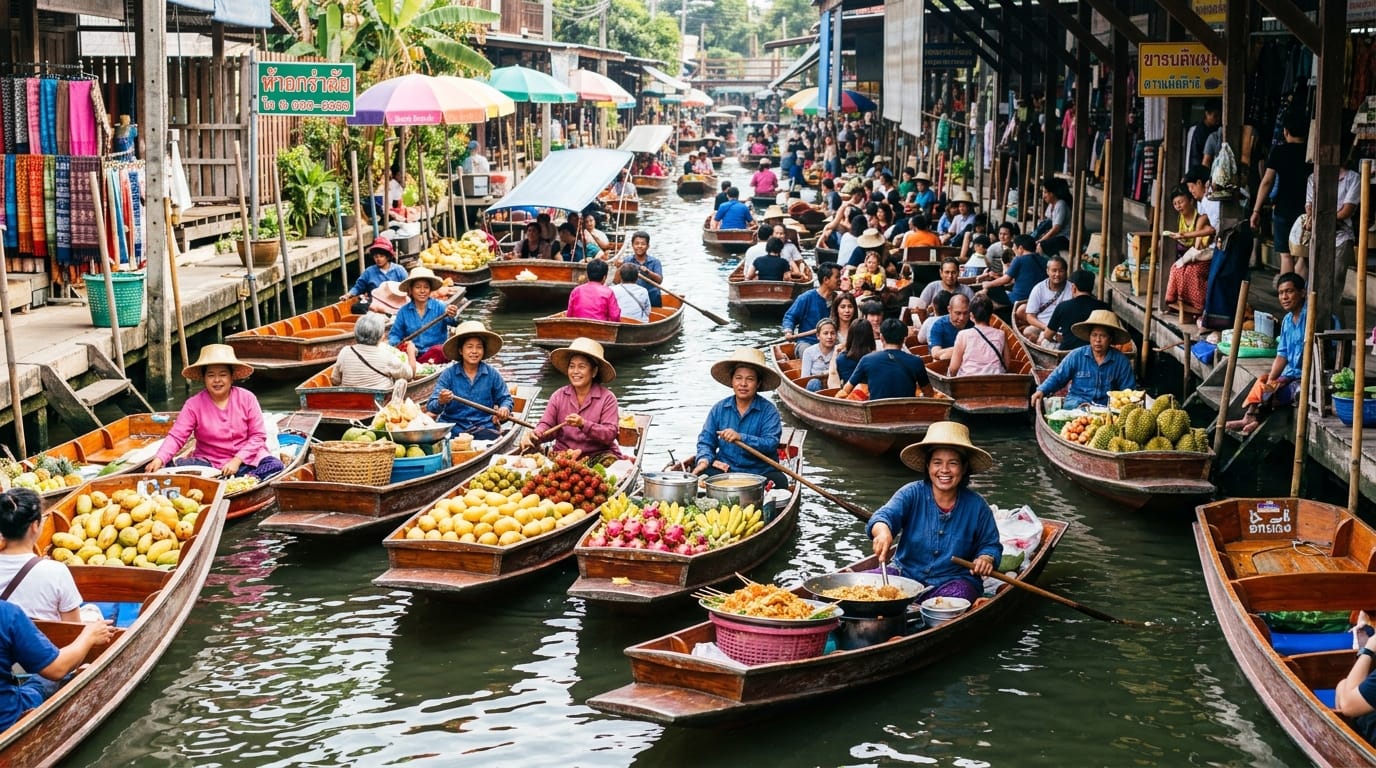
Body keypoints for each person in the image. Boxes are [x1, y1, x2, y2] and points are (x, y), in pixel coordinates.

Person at [0, 509, 115, 729]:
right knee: (46, 678)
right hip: (7, 718)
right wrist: (89, 636)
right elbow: (57, 668)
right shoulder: (8, 614)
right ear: (35, 526)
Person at [867, 421, 1001, 602]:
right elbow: (884, 516)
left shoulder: (977, 506)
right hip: (905, 575)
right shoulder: (911, 493)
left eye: (953, 463)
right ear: (928, 466)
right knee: (865, 585)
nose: (944, 470)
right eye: (937, 462)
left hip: (953, 581)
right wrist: (883, 532)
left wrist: (985, 558)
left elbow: (990, 545)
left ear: (963, 468)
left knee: (956, 597)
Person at [146, 345, 284, 480]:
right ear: (204, 378)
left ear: (231, 377)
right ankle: (223, 479)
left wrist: (236, 461)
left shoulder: (247, 398)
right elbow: (177, 437)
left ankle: (247, 480)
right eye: (211, 375)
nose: (217, 380)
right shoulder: (193, 404)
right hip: (209, 462)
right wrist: (159, 459)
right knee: (168, 466)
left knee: (275, 466)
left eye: (223, 375)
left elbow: (258, 436)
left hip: (246, 460)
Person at [693, 348, 789, 490]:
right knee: (703, 475)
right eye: (738, 378)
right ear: (732, 381)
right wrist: (704, 460)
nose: (743, 384)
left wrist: (741, 437)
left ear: (758, 383)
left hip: (760, 473)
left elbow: (770, 443)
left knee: (780, 482)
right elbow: (706, 441)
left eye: (750, 379)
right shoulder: (719, 408)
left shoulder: (769, 411)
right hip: (726, 470)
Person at [1226, 273, 1306, 436]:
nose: (1284, 297)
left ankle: (1256, 420)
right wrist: (1271, 380)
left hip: (1306, 377)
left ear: (1302, 293)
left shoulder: (1311, 318)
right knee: (1264, 382)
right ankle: (1249, 416)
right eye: (1281, 293)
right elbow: (1282, 355)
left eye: (1289, 291)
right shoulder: (1287, 321)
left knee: (1283, 393)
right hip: (1290, 374)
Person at [519, 338, 622, 460]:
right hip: (563, 456)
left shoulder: (607, 398)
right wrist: (536, 433)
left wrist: (583, 424)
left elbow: (609, 434)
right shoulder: (558, 396)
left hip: (597, 456)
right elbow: (546, 424)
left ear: (594, 371)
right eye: (572, 366)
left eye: (581, 367)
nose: (575, 371)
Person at [0, 488, 91, 622]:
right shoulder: (56, 572)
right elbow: (73, 628)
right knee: (92, 611)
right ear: (35, 526)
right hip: (43, 636)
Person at [1031, 309, 1137, 409]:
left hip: (1105, 409)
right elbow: (1058, 377)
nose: (1097, 340)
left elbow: (1128, 391)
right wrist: (1041, 390)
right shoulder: (1076, 355)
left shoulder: (1121, 361)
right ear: (1089, 337)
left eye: (1103, 336)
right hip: (1076, 406)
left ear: (1110, 339)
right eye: (1094, 335)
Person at [427, 321, 512, 440]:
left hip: (483, 428)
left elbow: (506, 398)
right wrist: (441, 401)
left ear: (483, 350)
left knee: (495, 438)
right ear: (461, 350)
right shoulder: (448, 374)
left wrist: (504, 408)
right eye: (469, 346)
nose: (474, 351)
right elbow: (431, 406)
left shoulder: (492, 374)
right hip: (453, 430)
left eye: (479, 347)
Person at [1251, 113, 1310, 281]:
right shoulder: (1310, 153)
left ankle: (1286, 292)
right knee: (1303, 255)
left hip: (1283, 209)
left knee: (1286, 255)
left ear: (1285, 131)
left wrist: (1256, 210)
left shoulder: (1279, 151)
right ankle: (1299, 293)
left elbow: (1267, 181)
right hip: (1306, 211)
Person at [838, 318, 930, 400]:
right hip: (908, 411)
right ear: (904, 339)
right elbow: (929, 393)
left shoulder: (867, 360)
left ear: (881, 337)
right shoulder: (916, 361)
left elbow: (846, 390)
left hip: (875, 412)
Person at [388, 266, 460, 363]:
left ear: (430, 290)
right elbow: (395, 334)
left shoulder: (440, 307)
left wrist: (452, 314)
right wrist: (397, 345)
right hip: (413, 356)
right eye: (418, 287)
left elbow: (454, 322)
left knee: (439, 350)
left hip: (436, 356)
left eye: (426, 287)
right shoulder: (403, 311)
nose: (422, 291)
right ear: (411, 290)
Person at [332, 313, 416, 389]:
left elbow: (335, 380)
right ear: (381, 337)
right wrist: (411, 351)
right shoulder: (387, 356)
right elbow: (410, 374)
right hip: (379, 399)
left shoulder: (345, 351)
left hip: (349, 398)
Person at [783, 262, 841, 352]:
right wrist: (788, 331)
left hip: (831, 343)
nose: (840, 280)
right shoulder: (806, 298)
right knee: (807, 352)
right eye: (837, 277)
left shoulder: (838, 299)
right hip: (808, 342)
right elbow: (790, 317)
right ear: (826, 280)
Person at [1044, 269, 1107, 351]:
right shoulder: (1104, 307)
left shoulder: (1063, 306)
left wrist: (1056, 339)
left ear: (1073, 288)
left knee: (1044, 342)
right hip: (1095, 350)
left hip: (1067, 352)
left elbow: (1047, 335)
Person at [949, 295, 1007, 376]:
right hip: (995, 379)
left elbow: (954, 368)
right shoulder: (1001, 334)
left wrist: (950, 376)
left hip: (967, 379)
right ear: (991, 315)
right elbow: (1006, 364)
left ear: (971, 316)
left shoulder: (963, 335)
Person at [982, 234, 1045, 308]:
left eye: (1014, 247)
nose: (1012, 249)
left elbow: (1006, 279)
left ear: (1020, 248)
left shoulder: (1019, 259)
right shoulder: (1044, 260)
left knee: (991, 288)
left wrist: (988, 284)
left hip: (1017, 300)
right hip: (1037, 300)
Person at [1019, 255, 1069, 343]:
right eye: (1054, 270)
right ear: (1047, 271)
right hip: (1042, 325)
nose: (1057, 274)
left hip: (1064, 328)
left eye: (1061, 271)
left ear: (1065, 272)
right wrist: (1047, 329)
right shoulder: (1038, 288)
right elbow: (1030, 316)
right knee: (1028, 332)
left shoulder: (1072, 288)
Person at [341, 237, 408, 303]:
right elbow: (358, 287)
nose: (378, 259)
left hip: (396, 303)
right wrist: (348, 295)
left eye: (381, 256)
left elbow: (407, 288)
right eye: (376, 257)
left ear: (388, 257)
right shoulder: (369, 272)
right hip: (375, 305)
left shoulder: (399, 270)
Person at [830, 318, 878, 388]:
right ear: (870, 336)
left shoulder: (841, 359)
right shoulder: (876, 359)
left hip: (849, 393)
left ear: (850, 336)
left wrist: (835, 353)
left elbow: (833, 375)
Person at [621, 231, 664, 307]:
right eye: (637, 243)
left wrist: (648, 272)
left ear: (648, 246)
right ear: (632, 245)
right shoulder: (627, 261)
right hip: (633, 298)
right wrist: (619, 267)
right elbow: (617, 281)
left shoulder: (655, 262)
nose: (639, 246)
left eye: (643, 244)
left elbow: (659, 280)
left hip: (652, 298)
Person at [1031, 178, 1072, 256]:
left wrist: (1040, 240)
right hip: (1058, 236)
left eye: (1045, 192)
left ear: (1052, 193)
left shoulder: (1061, 204)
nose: (1043, 196)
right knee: (1034, 239)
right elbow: (1048, 223)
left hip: (1066, 238)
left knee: (1041, 246)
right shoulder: (1052, 204)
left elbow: (1056, 229)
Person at [927, 293, 971, 361]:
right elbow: (935, 353)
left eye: (965, 313)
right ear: (949, 309)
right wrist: (962, 349)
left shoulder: (973, 322)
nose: (962, 318)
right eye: (958, 313)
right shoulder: (939, 325)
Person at [800, 319, 839, 392]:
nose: (829, 337)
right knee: (813, 383)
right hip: (814, 387)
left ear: (836, 335)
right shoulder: (808, 352)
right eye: (825, 333)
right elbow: (804, 378)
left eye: (832, 333)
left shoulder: (839, 351)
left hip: (834, 385)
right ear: (818, 336)